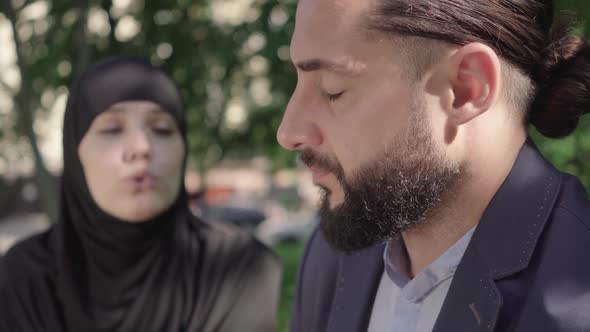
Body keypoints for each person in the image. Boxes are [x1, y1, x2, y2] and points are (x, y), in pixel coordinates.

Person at [277, 0, 590, 331]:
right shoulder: (333, 258)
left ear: (466, 89)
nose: (289, 132)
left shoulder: (574, 300)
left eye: (332, 91)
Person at [0, 57, 281, 332]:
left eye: (162, 129)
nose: (142, 147)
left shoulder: (240, 266)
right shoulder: (23, 277)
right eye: (112, 129)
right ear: (75, 154)